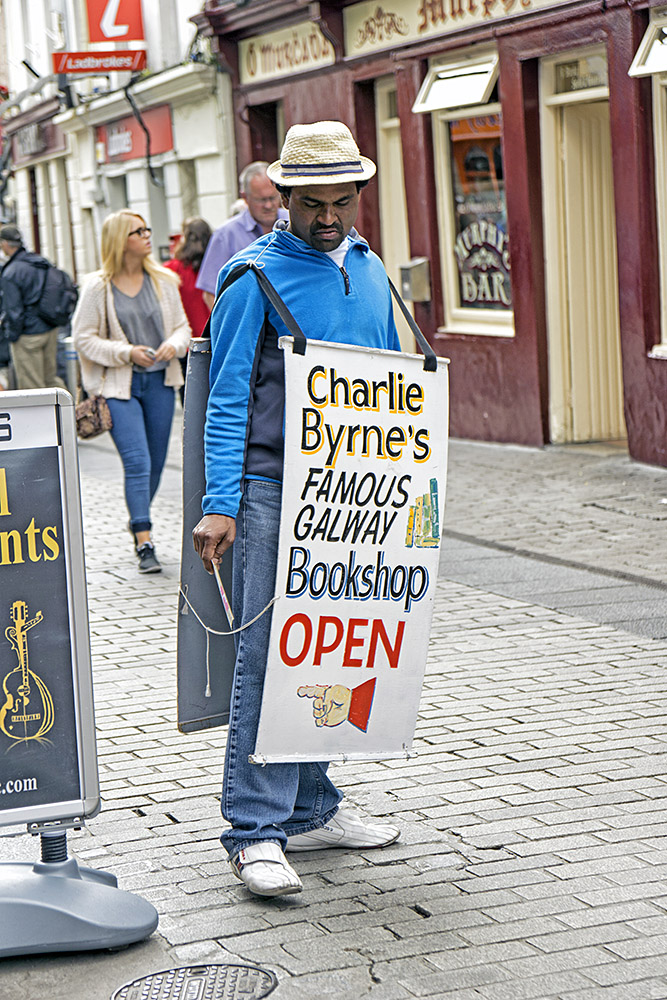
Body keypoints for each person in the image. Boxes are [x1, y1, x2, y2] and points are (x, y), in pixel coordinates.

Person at [192, 121, 403, 898]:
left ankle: (312, 807)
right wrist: (220, 504)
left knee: (334, 651)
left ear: (356, 197)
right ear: (280, 198)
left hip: (358, 489)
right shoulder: (253, 276)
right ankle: (253, 831)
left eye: (339, 203)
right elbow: (223, 402)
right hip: (275, 488)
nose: (325, 218)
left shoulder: (369, 267)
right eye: (309, 204)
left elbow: (391, 378)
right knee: (269, 660)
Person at [73, 210, 191, 574]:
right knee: (137, 462)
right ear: (119, 241)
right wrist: (126, 352)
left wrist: (174, 344)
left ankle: (137, 516)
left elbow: (183, 328)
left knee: (156, 463)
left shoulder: (164, 281)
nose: (146, 235)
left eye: (146, 228)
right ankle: (144, 538)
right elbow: (83, 338)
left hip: (159, 382)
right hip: (118, 386)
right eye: (137, 231)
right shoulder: (98, 286)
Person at [195, 161, 287, 310]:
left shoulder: (293, 224)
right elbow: (210, 293)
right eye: (261, 200)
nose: (269, 206)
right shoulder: (226, 235)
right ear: (245, 197)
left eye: (273, 198)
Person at [0, 224, 61, 389]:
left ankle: (44, 416)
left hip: (27, 335)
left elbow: (14, 312)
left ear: (5, 244)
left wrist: (13, 336)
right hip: (50, 328)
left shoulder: (11, 272)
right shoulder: (39, 261)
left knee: (32, 387)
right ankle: (69, 412)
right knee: (51, 381)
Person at [164, 218, 212, 401]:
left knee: (189, 400)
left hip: (185, 343)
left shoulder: (172, 269)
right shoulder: (214, 267)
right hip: (210, 338)